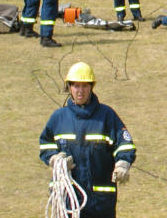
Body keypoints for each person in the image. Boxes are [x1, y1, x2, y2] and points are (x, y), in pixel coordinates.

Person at [39, 62, 136, 218]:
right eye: (76, 86)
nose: (80, 91)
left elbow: (124, 144)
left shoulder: (107, 115)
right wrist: (54, 159)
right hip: (68, 199)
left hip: (100, 203)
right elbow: (45, 144)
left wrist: (123, 164)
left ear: (91, 87)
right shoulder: (58, 118)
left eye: (85, 86)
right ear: (69, 87)